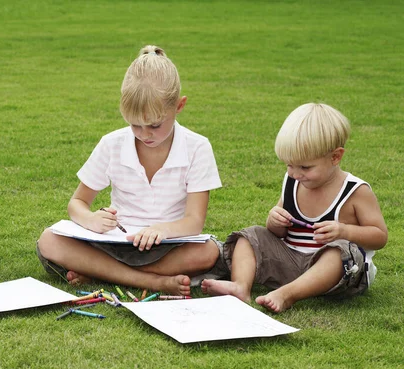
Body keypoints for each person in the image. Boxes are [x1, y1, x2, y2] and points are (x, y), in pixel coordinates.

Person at [37, 45, 223, 296]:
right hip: (115, 243)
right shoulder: (112, 143)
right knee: (49, 240)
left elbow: (194, 221)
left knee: (208, 251)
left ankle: (100, 272)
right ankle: (152, 281)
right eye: (135, 125)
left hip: (168, 246)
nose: (145, 134)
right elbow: (77, 203)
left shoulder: (197, 147)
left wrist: (162, 230)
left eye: (155, 125)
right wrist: (91, 219)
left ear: (179, 106)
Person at [202, 103, 388, 312]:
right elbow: (278, 232)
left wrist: (344, 231)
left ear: (335, 157)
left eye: (305, 167)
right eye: (289, 165)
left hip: (336, 273)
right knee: (250, 235)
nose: (295, 173)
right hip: (290, 260)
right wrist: (274, 220)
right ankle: (240, 286)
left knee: (340, 253)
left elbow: (380, 236)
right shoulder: (293, 182)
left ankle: (287, 294)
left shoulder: (355, 191)